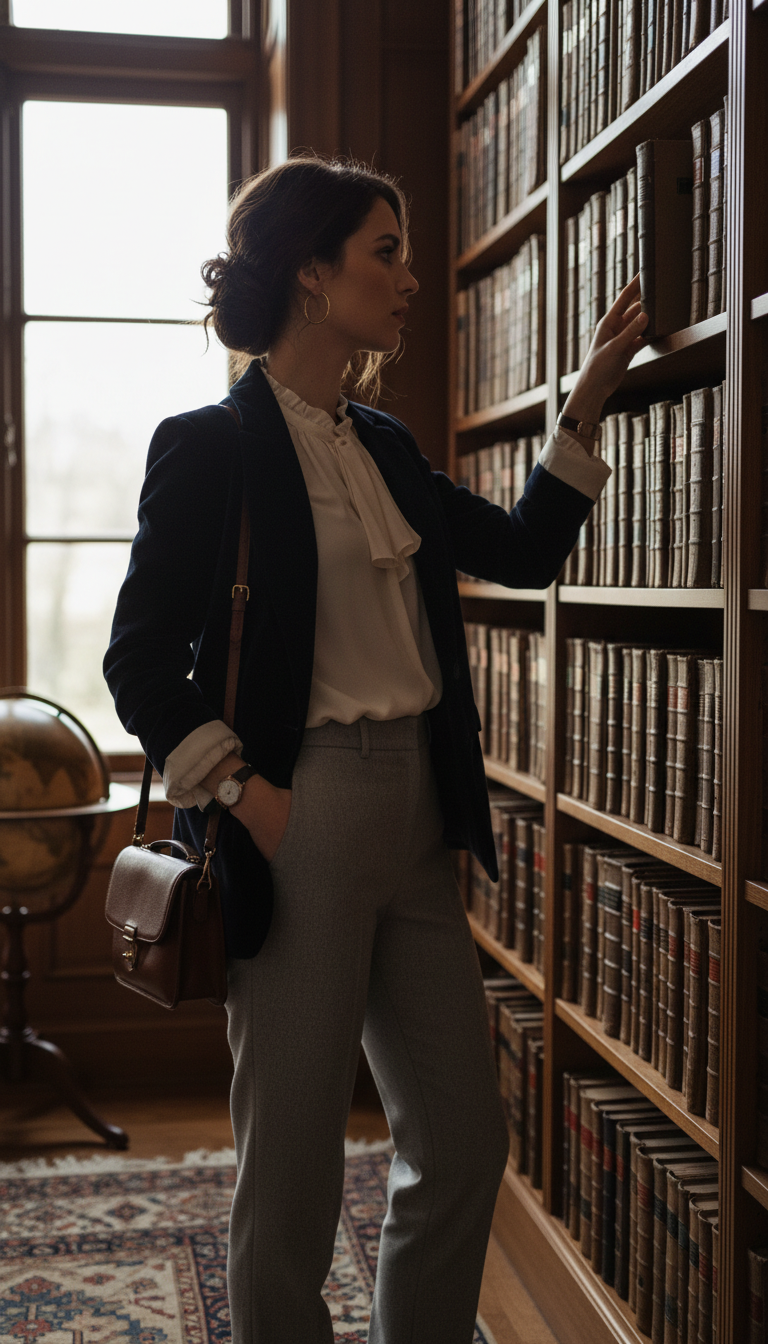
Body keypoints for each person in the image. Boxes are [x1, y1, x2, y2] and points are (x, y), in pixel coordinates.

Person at [104, 154, 649, 1344]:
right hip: (301, 816)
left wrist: (589, 402)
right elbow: (138, 661)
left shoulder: (385, 445)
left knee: (460, 1140)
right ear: (310, 274)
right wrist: (250, 800)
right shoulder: (211, 446)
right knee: (292, 1171)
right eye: (385, 253)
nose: (409, 279)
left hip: (417, 813)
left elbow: (518, 552)